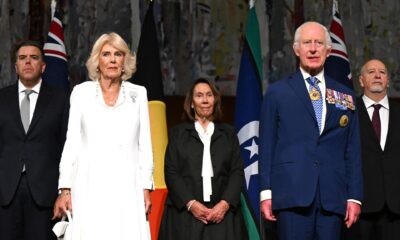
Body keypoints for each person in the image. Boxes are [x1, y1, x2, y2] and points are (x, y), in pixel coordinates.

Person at [258, 21, 363, 240]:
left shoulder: (345, 95)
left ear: (328, 50)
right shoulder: (277, 93)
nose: (313, 48)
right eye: (307, 43)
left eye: (318, 43)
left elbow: (352, 151)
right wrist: (266, 193)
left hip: (332, 197)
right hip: (291, 195)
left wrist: (354, 197)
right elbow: (266, 146)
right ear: (297, 49)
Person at [53, 32, 154, 240]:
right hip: (89, 184)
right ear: (97, 60)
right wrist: (65, 189)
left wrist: (145, 187)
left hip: (128, 185)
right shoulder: (81, 93)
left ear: (125, 60)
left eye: (118, 54)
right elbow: (71, 143)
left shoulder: (139, 93)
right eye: (106, 54)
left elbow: (145, 145)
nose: (113, 60)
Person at [158, 78, 248, 240]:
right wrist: (191, 203)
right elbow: (171, 172)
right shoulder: (178, 134)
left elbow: (237, 171)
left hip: (223, 216)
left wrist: (224, 204)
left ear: (215, 100)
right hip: (186, 216)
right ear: (191, 103)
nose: (205, 100)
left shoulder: (228, 134)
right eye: (199, 96)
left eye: (209, 95)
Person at [0, 40, 69, 240]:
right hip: (5, 193)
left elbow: (67, 146)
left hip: (45, 194)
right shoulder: (1, 98)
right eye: (22, 58)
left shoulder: (61, 98)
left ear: (43, 66)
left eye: (34, 57)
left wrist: (64, 191)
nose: (28, 62)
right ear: (16, 67)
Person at [343, 59, 400, 240]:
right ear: (361, 81)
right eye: (371, 72)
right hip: (358, 206)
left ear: (388, 81)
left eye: (382, 72)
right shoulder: (348, 112)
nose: (377, 75)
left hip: (396, 208)